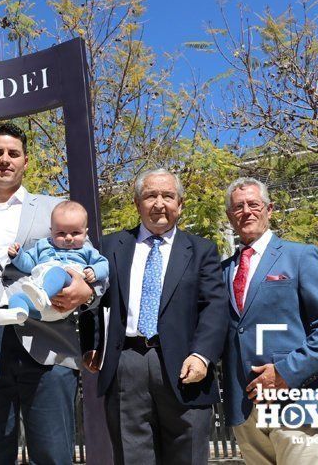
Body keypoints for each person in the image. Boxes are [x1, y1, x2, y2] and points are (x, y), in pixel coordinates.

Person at [0, 123, 97, 464]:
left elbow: (91, 265)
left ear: (25, 161)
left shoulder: (55, 209)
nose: (5, 160)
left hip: (48, 343)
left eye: (13, 154)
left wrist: (87, 290)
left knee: (53, 455)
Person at [81, 168, 229, 464]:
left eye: (167, 196)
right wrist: (92, 342)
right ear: (137, 203)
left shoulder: (201, 251)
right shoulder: (110, 247)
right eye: (150, 195)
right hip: (126, 365)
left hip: (185, 367)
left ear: (180, 204)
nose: (159, 203)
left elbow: (215, 306)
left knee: (187, 456)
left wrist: (202, 355)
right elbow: (93, 298)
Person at [221, 177, 318, 465]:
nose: (246, 211)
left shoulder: (300, 256)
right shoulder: (222, 271)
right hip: (245, 410)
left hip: (297, 401)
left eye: (254, 204)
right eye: (238, 207)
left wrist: (286, 372)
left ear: (269, 209)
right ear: (230, 216)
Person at [0, 200, 109, 326]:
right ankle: (18, 314)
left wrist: (94, 271)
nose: (69, 238)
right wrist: (17, 255)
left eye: (75, 233)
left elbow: (103, 264)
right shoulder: (43, 245)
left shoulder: (86, 250)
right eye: (61, 233)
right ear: (51, 231)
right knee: (17, 298)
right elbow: (28, 265)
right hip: (41, 309)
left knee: (57, 271)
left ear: (85, 233)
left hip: (64, 298)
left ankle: (43, 293)